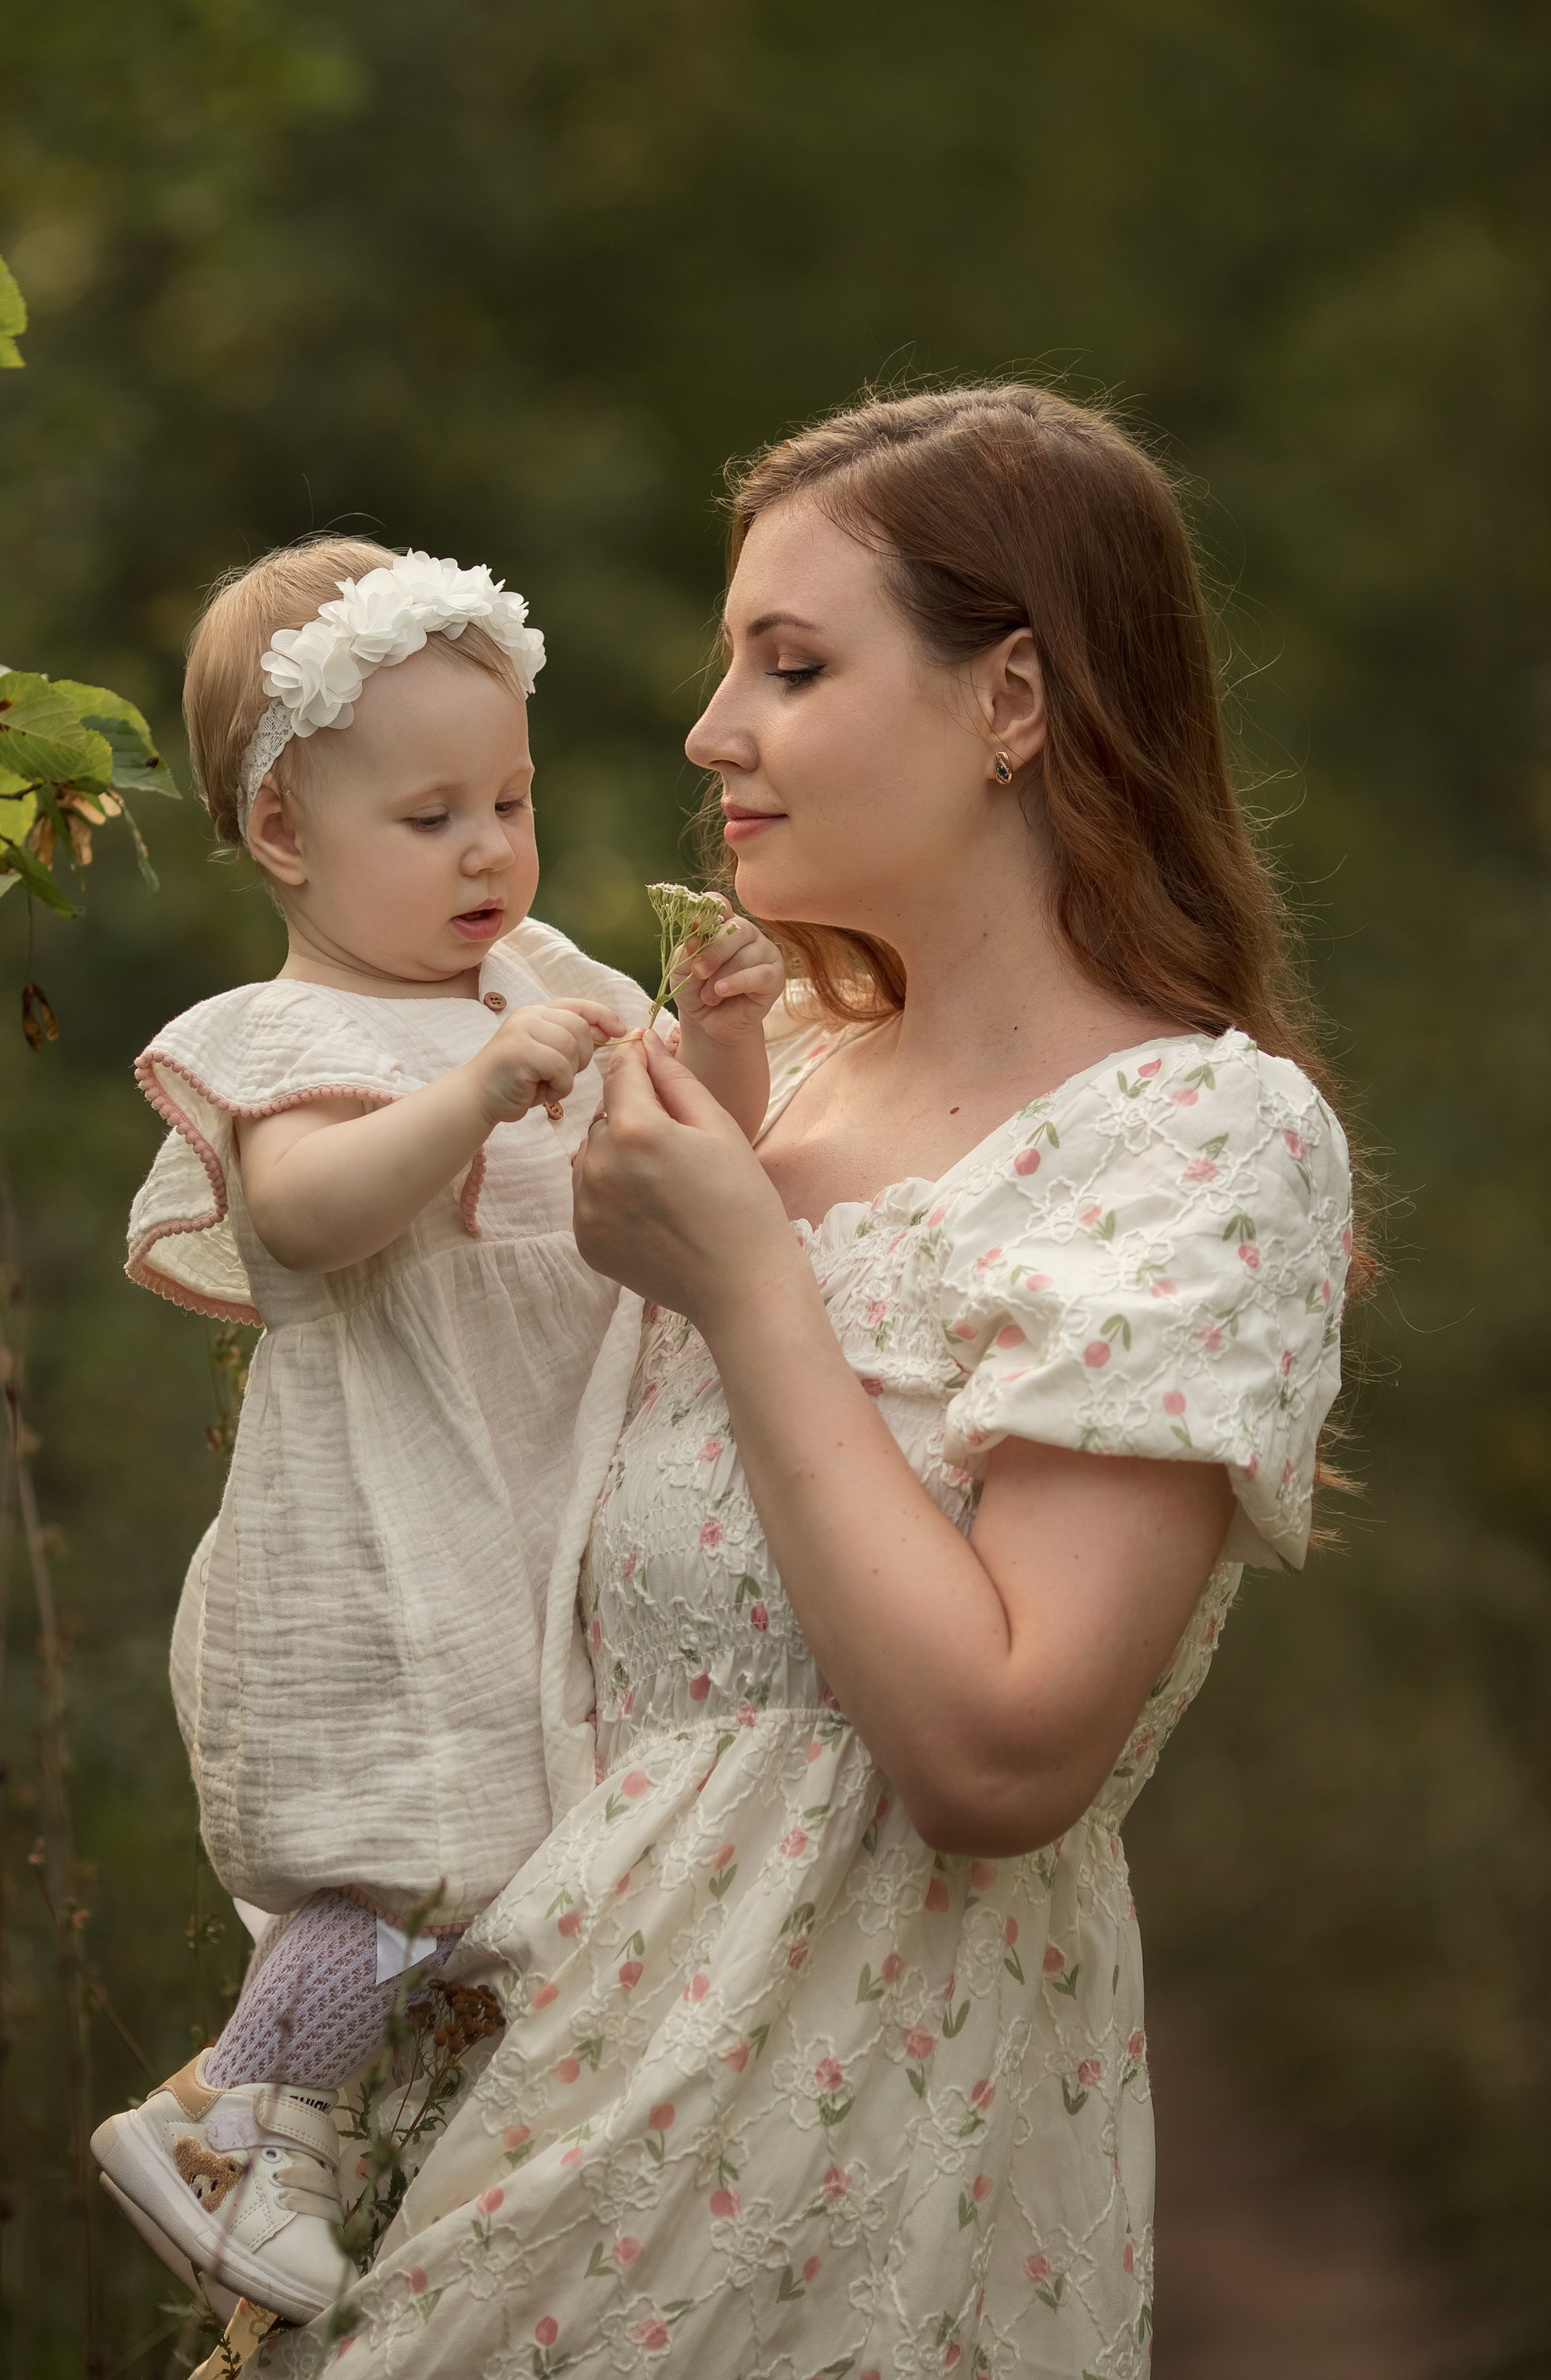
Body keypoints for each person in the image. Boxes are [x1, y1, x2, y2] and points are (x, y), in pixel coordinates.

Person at [295, 387, 1358, 2379]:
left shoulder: (1204, 1143)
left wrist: (747, 1285)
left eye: (790, 665)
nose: (714, 734)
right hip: (528, 2090)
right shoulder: (763, 1077)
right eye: (729, 665)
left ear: (1013, 700)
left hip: (850, 2147)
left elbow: (1002, 1760)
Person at [89, 538, 784, 2318]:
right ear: (283, 838)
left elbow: (697, 1161)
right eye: (428, 818)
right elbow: (303, 1216)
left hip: (541, 1489)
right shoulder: (286, 1031)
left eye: (510, 798)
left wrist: (716, 1046)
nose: (488, 847)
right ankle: (235, 2108)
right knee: (414, 1836)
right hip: (395, 1509)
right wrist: (472, 1092)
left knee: (517, 1868)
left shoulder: (533, 973)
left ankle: (327, 2142)